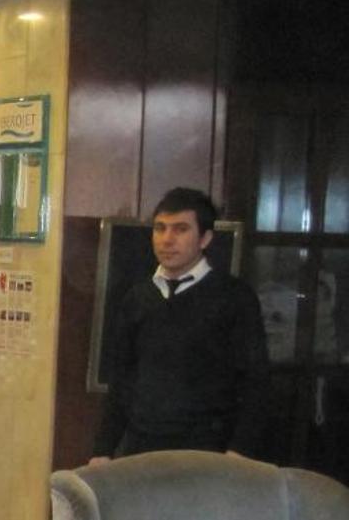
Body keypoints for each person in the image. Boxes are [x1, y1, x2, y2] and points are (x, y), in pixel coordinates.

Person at [93, 186, 269, 460]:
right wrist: (102, 450)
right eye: (160, 228)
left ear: (205, 238)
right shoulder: (137, 297)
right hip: (141, 446)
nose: (167, 239)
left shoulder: (234, 297)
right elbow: (121, 381)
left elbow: (255, 382)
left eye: (180, 229)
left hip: (207, 449)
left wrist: (239, 451)